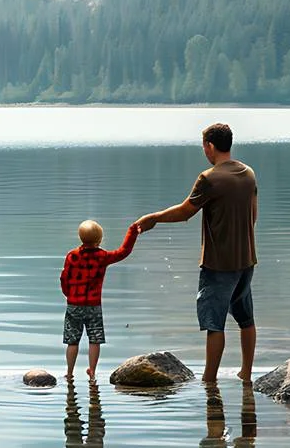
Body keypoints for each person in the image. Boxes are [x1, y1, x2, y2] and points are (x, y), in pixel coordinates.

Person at [133, 122, 258, 382]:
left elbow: (185, 211)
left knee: (214, 324)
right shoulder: (248, 174)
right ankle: (246, 372)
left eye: (204, 146)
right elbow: (253, 215)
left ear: (210, 146)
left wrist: (154, 218)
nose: (204, 151)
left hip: (218, 264)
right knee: (246, 318)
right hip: (246, 260)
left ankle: (209, 379)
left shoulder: (209, 178)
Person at [60, 219, 140, 380]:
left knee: (72, 341)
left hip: (74, 305)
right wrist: (132, 232)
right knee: (94, 340)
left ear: (80, 237)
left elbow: (64, 278)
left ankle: (69, 373)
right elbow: (123, 251)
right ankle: (92, 372)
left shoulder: (72, 256)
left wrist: (69, 295)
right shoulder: (102, 256)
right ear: (100, 239)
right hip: (93, 306)